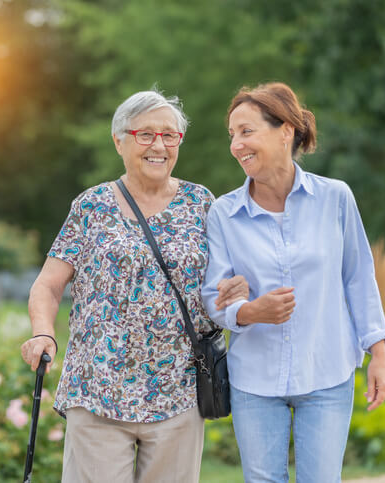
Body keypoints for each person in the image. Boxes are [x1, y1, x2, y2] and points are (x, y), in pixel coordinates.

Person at [20, 89, 247, 483]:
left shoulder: (202, 203)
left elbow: (225, 281)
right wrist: (43, 333)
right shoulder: (90, 207)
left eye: (169, 135)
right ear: (119, 141)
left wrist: (235, 291)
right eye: (145, 134)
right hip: (98, 389)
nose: (158, 145)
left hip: (178, 390)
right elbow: (48, 285)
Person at [201, 82, 385, 483]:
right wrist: (252, 311)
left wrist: (378, 353)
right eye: (232, 135)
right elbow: (212, 295)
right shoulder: (223, 213)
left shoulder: (335, 198)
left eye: (247, 131)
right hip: (255, 378)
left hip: (326, 371)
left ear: (285, 130)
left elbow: (358, 277)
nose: (236, 145)